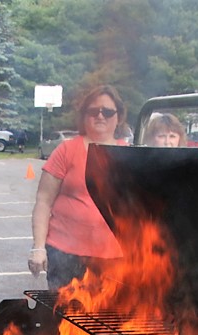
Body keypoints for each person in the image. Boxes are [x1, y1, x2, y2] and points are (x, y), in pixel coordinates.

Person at [29, 85, 129, 289]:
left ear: (118, 117)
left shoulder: (129, 155)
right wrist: (38, 248)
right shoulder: (66, 150)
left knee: (108, 319)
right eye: (94, 111)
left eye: (108, 112)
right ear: (84, 116)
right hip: (65, 255)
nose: (100, 116)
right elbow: (43, 201)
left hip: (113, 257)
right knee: (64, 317)